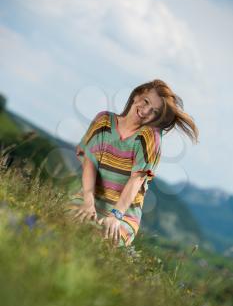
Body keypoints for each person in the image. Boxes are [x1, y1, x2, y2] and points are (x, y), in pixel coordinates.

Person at [65, 79, 199, 247]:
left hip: (122, 215)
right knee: (66, 227)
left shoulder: (149, 137)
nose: (145, 111)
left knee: (96, 242)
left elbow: (137, 180)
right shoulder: (104, 121)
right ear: (137, 95)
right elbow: (89, 164)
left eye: (154, 112)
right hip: (88, 199)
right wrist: (88, 201)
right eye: (146, 102)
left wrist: (115, 216)